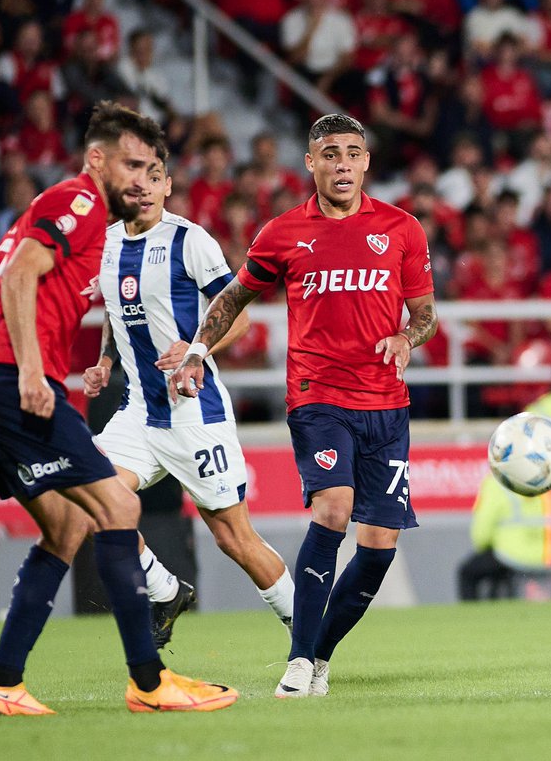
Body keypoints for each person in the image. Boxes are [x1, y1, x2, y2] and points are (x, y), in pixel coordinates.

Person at [0, 101, 237, 715]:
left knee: (65, 527)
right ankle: (149, 682)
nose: (139, 179)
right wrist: (32, 370)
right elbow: (15, 282)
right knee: (118, 503)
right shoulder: (79, 203)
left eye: (149, 167)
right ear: (96, 159)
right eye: (129, 164)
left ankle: (1, 684)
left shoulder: (43, 216)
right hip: (14, 380)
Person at [169, 114, 437, 699]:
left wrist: (406, 339)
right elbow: (233, 297)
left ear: (367, 162)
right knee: (333, 510)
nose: (343, 164)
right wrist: (195, 352)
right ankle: (297, 661)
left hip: (386, 404)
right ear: (310, 163)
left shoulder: (402, 229)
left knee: (378, 548)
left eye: (353, 153)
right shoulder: (284, 233)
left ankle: (316, 654)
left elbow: (425, 316)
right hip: (318, 398)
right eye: (330, 154)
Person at [80, 156, 296, 650]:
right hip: (139, 410)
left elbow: (236, 316)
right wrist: (106, 361)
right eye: (134, 181)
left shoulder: (189, 240)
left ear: (169, 186)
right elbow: (121, 312)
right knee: (92, 495)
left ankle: (307, 628)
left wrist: (195, 350)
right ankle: (166, 591)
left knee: (233, 539)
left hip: (192, 411)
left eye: (155, 179)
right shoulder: (109, 244)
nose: (145, 189)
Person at [458, 364, 551, 601]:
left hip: (513, 556)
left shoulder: (499, 477)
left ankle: (474, 624)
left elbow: (480, 536)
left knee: (468, 571)